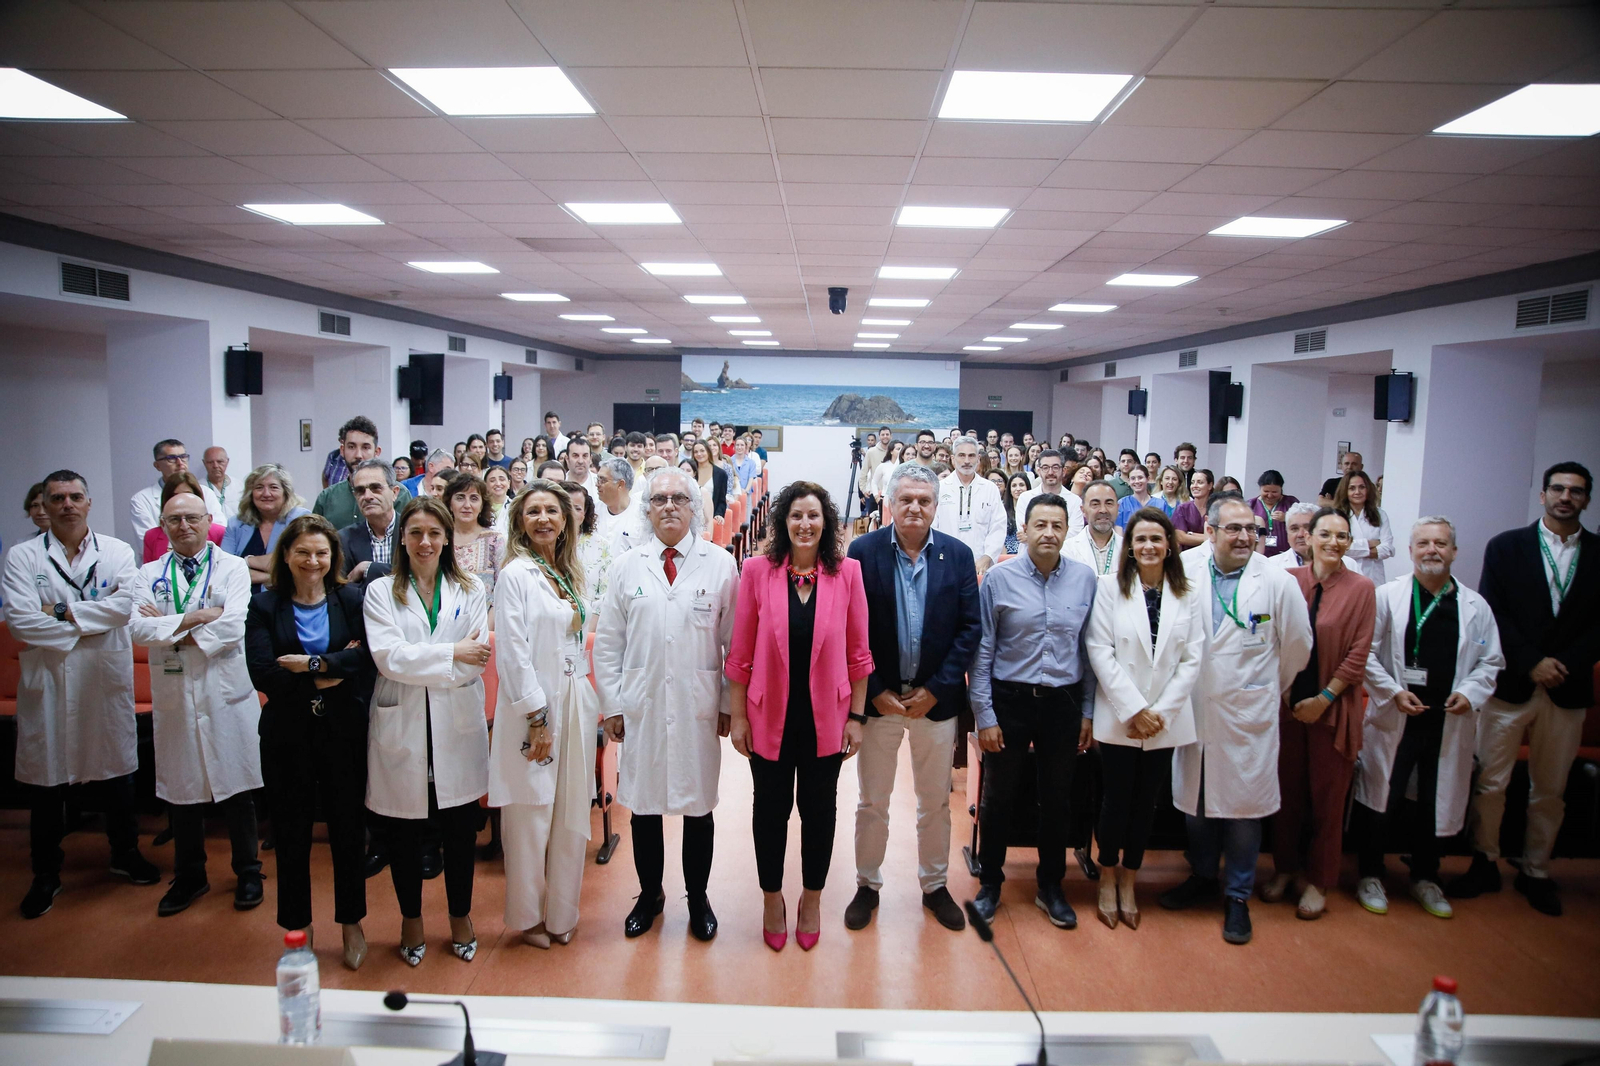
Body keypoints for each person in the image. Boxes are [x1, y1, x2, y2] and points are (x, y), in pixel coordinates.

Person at [1159, 494, 1312, 945]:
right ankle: (1202, 877)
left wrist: (1264, 688)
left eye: (1253, 530)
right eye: (1235, 529)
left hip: (1249, 711)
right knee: (1197, 802)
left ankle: (1238, 896)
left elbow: (1298, 647)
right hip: (1195, 707)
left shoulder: (1276, 581)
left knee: (1244, 808)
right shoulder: (1185, 570)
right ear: (1210, 531)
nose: (1246, 537)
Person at [595, 468, 740, 942]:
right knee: (644, 807)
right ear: (648, 508)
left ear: (695, 508)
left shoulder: (720, 564)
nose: (670, 506)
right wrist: (613, 704)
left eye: (680, 498)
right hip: (642, 705)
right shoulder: (627, 566)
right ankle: (650, 893)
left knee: (699, 808)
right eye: (660, 500)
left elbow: (734, 643)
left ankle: (697, 898)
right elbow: (608, 643)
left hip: (697, 705)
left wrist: (725, 702)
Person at [726, 479, 871, 951]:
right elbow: (741, 650)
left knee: (819, 812)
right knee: (769, 811)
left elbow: (859, 652)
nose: (804, 524)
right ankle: (772, 898)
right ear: (782, 522)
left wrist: (858, 717)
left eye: (813, 516)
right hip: (768, 717)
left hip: (826, 717)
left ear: (825, 522)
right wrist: (739, 716)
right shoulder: (756, 572)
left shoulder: (847, 572)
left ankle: (811, 898)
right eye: (795, 516)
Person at [5, 470, 156, 919]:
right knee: (46, 781)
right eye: (57, 498)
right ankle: (46, 873)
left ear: (89, 503)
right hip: (49, 682)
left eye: (75, 496)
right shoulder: (22, 556)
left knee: (116, 774)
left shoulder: (116, 551)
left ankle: (124, 854)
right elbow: (19, 620)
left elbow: (127, 605)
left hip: (102, 677)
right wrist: (90, 618)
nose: (67, 504)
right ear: (43, 507)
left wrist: (59, 614)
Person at [1450, 462, 1597, 917]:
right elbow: (1494, 610)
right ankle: (1485, 859)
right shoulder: (1507, 547)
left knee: (1550, 787)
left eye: (1575, 491)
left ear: (1587, 499)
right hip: (1512, 682)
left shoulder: (1599, 553)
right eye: (1557, 489)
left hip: (1567, 688)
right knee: (1492, 781)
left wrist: (1565, 665)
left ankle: (1536, 868)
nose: (1565, 497)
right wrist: (1532, 661)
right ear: (1543, 495)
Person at [842, 463, 979, 933]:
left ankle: (935, 886)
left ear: (936, 507)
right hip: (880, 703)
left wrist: (938, 688)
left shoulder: (958, 556)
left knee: (934, 802)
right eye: (906, 500)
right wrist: (875, 690)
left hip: (934, 704)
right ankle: (866, 885)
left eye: (924, 500)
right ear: (890, 504)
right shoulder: (862, 552)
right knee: (872, 800)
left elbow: (969, 629)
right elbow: (851, 627)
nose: (915, 507)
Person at [1354, 517, 1504, 920]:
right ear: (1410, 550)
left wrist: (1469, 694)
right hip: (1397, 714)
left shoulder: (1475, 607)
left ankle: (1426, 875)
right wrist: (1392, 692)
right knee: (1382, 796)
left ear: (1454, 551)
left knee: (1438, 800)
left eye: (1441, 543)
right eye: (1423, 543)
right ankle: (1370, 872)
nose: (1432, 550)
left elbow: (1491, 662)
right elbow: (1364, 654)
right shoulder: (1388, 597)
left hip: (1447, 719)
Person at [363, 496, 491, 966]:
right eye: (416, 533)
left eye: (434, 533)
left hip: (455, 722)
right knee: (403, 831)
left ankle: (461, 916)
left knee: (459, 830)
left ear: (447, 539)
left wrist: (441, 659)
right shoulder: (381, 592)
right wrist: (450, 654)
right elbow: (386, 658)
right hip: (403, 723)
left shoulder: (471, 587)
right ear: (403, 539)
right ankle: (410, 919)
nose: (425, 542)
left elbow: (475, 662)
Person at [245, 512, 374, 964]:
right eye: (303, 552)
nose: (313, 560)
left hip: (344, 730)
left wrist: (311, 665)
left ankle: (351, 922)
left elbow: (367, 661)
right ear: (286, 555)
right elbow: (264, 672)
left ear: (333, 556)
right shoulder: (264, 606)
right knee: (291, 832)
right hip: (287, 733)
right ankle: (298, 926)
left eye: (321, 552)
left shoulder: (351, 599)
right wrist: (333, 669)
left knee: (347, 829)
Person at [130, 489, 263, 916]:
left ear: (209, 521)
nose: (183, 526)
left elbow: (233, 625)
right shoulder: (147, 573)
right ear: (162, 526)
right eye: (174, 520)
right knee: (181, 792)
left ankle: (247, 871)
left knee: (237, 789)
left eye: (192, 518)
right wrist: (193, 618)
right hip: (175, 696)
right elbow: (137, 629)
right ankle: (190, 876)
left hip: (224, 692)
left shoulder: (233, 568)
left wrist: (168, 626)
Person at [968, 492, 1095, 929]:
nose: (1048, 533)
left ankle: (1051, 886)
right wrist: (984, 715)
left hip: (1063, 701)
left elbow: (1089, 650)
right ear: (1023, 530)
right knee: (999, 797)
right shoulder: (1000, 579)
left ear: (1067, 530)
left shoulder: (1084, 579)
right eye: (1040, 525)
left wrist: (1088, 711)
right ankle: (990, 884)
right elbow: (982, 651)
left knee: (1057, 800)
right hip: (1010, 699)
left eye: (1057, 526)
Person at [490, 480, 598, 948]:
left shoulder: (573, 571)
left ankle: (562, 913)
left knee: (573, 810)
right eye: (532, 512)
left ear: (566, 520)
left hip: (575, 697)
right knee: (531, 814)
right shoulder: (515, 575)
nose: (543, 520)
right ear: (519, 521)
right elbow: (512, 653)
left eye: (552, 511)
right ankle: (529, 917)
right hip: (534, 706)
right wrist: (537, 718)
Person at [1086, 507, 1202, 929]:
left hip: (1166, 718)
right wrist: (1135, 709)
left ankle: (1130, 879)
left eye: (1157, 539)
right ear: (1130, 548)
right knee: (1115, 799)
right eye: (1141, 540)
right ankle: (1107, 875)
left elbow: (1193, 658)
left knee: (1146, 802)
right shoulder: (1109, 588)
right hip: (1121, 713)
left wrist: (1160, 712)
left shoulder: (1187, 591)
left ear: (1170, 545)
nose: (1149, 546)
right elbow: (1099, 650)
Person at [1263, 508, 1375, 920]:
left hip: (1332, 709)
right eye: (1324, 534)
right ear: (1307, 538)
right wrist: (1290, 696)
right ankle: (1284, 869)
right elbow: (1269, 636)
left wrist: (1323, 699)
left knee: (1328, 801)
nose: (1333, 542)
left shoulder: (1362, 589)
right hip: (1287, 708)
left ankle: (1319, 880)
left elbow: (1358, 655)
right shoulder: (1288, 582)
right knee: (1286, 796)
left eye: (1341, 536)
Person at [313, 417, 412, 532]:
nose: (358, 455)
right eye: (351, 447)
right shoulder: (327, 498)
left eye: (365, 447)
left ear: (377, 452)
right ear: (342, 450)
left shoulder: (399, 495)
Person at [931, 436, 1005, 576]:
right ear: (953, 459)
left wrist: (987, 556)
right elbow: (933, 527)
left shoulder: (990, 489)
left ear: (978, 459)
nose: (966, 461)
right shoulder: (940, 488)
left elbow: (998, 526)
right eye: (961, 455)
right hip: (946, 563)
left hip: (981, 566)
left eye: (971, 456)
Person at [131, 440, 225, 541]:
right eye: (171, 458)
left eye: (183, 457)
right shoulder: (141, 499)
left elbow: (219, 532)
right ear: (157, 465)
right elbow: (149, 541)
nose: (180, 463)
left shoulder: (206, 493)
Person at [444, 472, 505, 607]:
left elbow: (503, 592)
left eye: (474, 498)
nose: (467, 505)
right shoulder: (440, 539)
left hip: (487, 622)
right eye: (460, 498)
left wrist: (486, 626)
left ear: (482, 505)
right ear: (449, 504)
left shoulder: (495, 540)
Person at [337, 460, 400, 588]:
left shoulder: (413, 532)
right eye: (360, 490)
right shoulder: (343, 539)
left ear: (394, 492)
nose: (367, 496)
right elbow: (343, 589)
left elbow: (419, 575)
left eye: (376, 488)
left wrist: (368, 568)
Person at [141, 473, 226, 563]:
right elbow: (149, 571)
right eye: (175, 496)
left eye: (188, 495)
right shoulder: (152, 536)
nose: (182, 500)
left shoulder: (220, 533)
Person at [561, 481, 612, 617]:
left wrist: (589, 629)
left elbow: (605, 595)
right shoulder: (543, 544)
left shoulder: (601, 546)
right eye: (566, 507)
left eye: (577, 508)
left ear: (585, 513)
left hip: (590, 625)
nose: (571, 513)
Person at [1336, 471, 1393, 585]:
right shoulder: (1336, 515)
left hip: (1374, 578)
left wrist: (1353, 547)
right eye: (1352, 488)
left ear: (1368, 489)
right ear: (1345, 491)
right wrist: (1369, 544)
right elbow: (1338, 547)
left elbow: (1387, 549)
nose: (1357, 492)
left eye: (1362, 487)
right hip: (1345, 576)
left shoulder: (1380, 514)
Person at [1017, 450, 1084, 537]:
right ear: (1039, 471)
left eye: (1055, 467)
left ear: (1064, 471)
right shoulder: (1025, 498)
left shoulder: (1075, 501)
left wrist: (1035, 535)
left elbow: (1075, 534)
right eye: (1045, 468)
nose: (1050, 472)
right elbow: (1024, 531)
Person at [1065, 480, 1122, 578]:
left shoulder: (1130, 549)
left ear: (1117, 508)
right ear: (1083, 510)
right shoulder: (1067, 550)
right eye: (1095, 504)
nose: (1103, 510)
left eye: (1109, 503)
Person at [596, 457, 646, 555]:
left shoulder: (642, 516)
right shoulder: (593, 511)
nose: (597, 485)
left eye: (603, 480)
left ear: (620, 484)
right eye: (598, 479)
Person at [1250, 471, 1298, 559]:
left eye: (1274, 492)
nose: (1270, 495)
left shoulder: (1291, 503)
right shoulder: (1251, 505)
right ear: (1260, 488)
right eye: (1266, 491)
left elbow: (1303, 523)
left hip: (1285, 555)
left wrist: (1287, 518)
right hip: (1258, 555)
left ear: (1281, 489)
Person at [1266, 502, 1324, 571]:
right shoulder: (1270, 565)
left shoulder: (1338, 560)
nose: (1300, 534)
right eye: (1294, 529)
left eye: (1308, 528)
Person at [1172, 468, 1213, 549]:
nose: (1195, 486)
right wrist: (1208, 538)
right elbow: (1180, 537)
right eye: (1192, 482)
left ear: (1210, 485)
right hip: (1187, 555)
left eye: (1200, 482)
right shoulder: (1183, 509)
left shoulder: (1216, 509)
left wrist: (1190, 534)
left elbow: (1220, 536)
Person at [1001, 472, 1030, 556]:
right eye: (1014, 486)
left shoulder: (1035, 510)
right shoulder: (1002, 510)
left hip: (1027, 553)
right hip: (1005, 555)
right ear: (1009, 490)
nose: (1018, 489)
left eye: (1021, 485)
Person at [202, 446, 232, 516]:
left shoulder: (239, 486)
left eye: (220, 462)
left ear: (227, 462)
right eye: (210, 462)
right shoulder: (198, 487)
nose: (215, 466)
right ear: (204, 463)